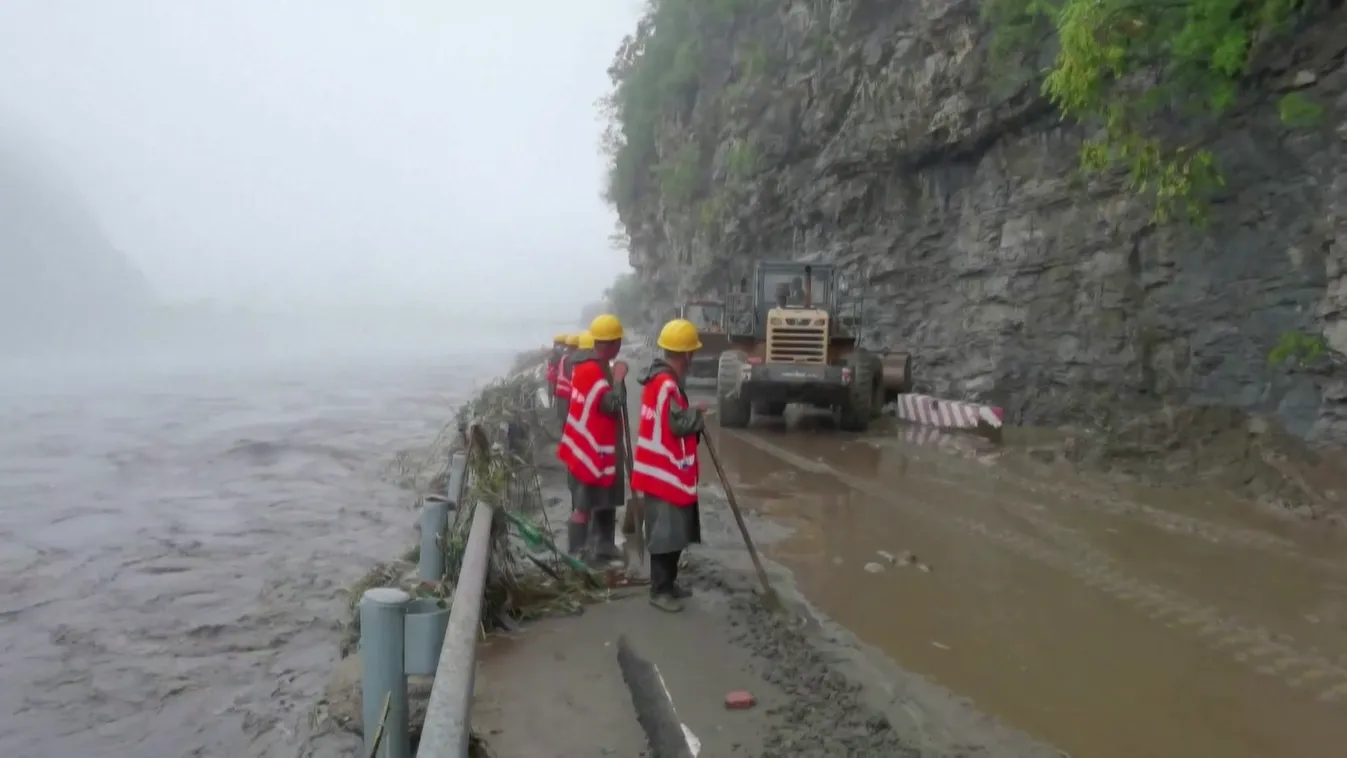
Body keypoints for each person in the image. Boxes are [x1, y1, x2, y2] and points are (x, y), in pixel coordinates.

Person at [630, 318, 706, 612]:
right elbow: (676, 423)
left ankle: (669, 584)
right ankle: (659, 591)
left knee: (674, 530)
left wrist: (690, 412)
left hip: (659, 469)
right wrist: (696, 414)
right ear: (686, 354)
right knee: (666, 533)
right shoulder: (667, 384)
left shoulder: (658, 381)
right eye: (692, 353)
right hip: (664, 472)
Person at [556, 315, 628, 564]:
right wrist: (618, 377)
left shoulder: (587, 365)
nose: (620, 346)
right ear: (611, 344)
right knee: (584, 503)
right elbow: (612, 403)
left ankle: (601, 545)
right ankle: (579, 552)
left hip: (588, 446)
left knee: (601, 498)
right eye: (618, 342)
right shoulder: (592, 370)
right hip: (592, 449)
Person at [553, 333, 580, 425]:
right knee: (568, 418)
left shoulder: (564, 356)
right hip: (567, 392)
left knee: (563, 417)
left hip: (560, 390)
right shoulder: (571, 359)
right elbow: (571, 376)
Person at [545, 333, 567, 399]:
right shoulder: (558, 356)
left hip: (553, 379)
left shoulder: (553, 355)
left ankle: (552, 403)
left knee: (552, 393)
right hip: (557, 380)